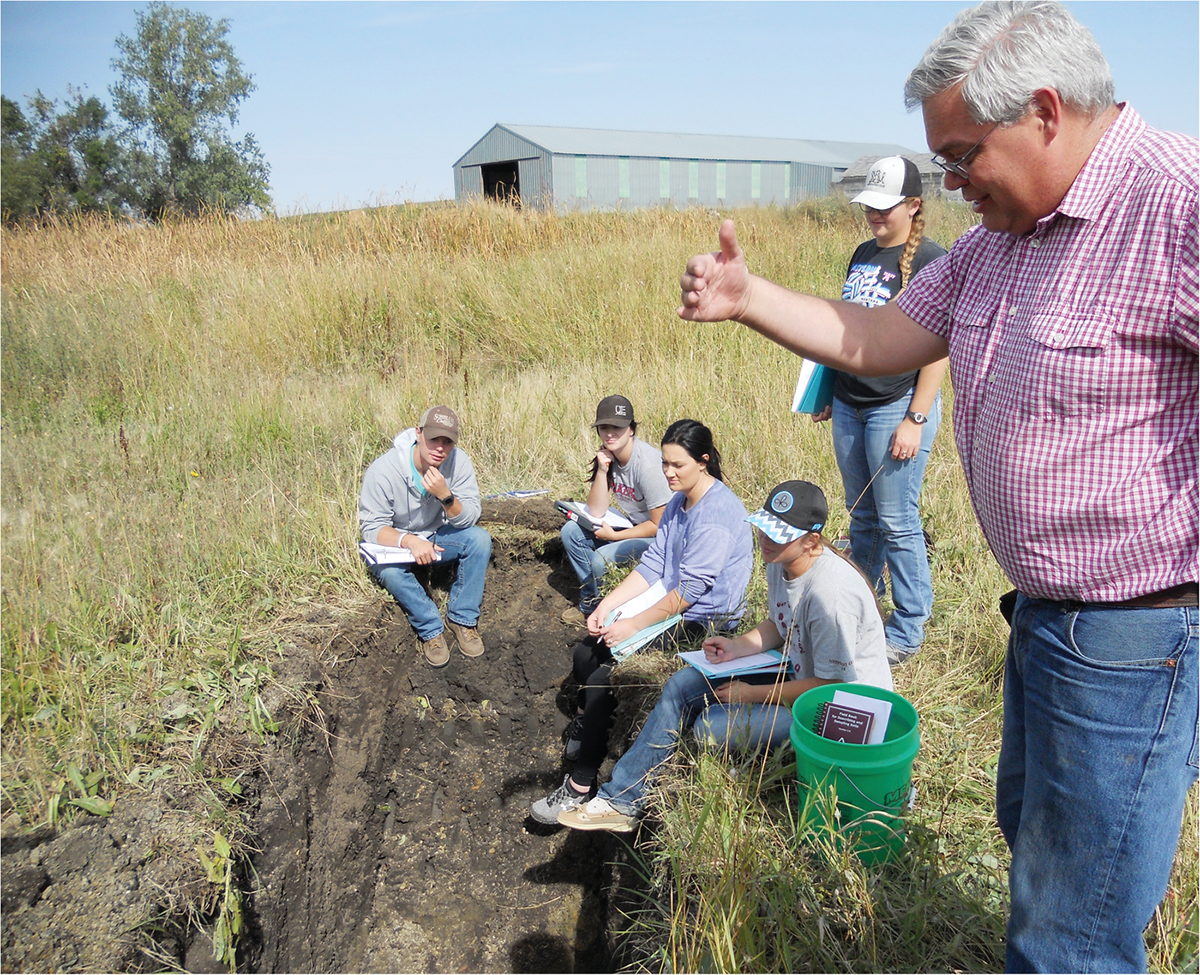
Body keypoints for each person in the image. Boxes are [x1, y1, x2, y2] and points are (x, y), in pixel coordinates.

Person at [677, 3, 1197, 971]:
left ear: (1044, 112)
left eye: (962, 155)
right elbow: (875, 339)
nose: (950, 184)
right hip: (1045, 618)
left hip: (1136, 632)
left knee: (1073, 929)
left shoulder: (1178, 205)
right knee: (1035, 841)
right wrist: (750, 300)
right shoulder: (1000, 238)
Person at [555, 480, 894, 833]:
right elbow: (782, 623)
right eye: (764, 527)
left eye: (779, 534)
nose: (765, 538)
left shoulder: (830, 597)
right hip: (801, 678)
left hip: (843, 713)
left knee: (710, 728)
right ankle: (620, 801)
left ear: (812, 540)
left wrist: (751, 694)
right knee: (684, 683)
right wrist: (738, 647)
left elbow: (830, 684)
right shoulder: (781, 561)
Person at [530, 419, 753, 825]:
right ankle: (588, 725)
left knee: (604, 679)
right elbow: (652, 565)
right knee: (586, 650)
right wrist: (608, 605)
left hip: (703, 620)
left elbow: (689, 592)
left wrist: (633, 625)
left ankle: (580, 785)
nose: (667, 473)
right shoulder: (678, 502)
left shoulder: (717, 514)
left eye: (677, 466)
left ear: (703, 462)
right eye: (665, 463)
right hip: (668, 600)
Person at [817, 156, 949, 664]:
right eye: (868, 206)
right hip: (851, 404)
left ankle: (908, 628)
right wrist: (826, 389)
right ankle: (861, 608)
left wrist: (915, 418)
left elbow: (938, 347)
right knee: (863, 518)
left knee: (897, 521)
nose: (873, 215)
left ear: (914, 205)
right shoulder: (863, 253)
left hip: (896, 407)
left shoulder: (933, 260)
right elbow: (846, 328)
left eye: (883, 206)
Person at [359, 405, 492, 668]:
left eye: (448, 442)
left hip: (438, 537)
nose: (440, 448)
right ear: (418, 433)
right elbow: (372, 528)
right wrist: (409, 541)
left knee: (479, 540)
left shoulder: (459, 462)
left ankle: (462, 619)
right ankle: (431, 629)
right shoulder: (384, 471)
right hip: (400, 545)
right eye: (434, 439)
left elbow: (469, 517)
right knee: (389, 573)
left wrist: (446, 496)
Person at [559, 395, 672, 626]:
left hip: (663, 540)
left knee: (602, 559)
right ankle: (591, 600)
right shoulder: (610, 457)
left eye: (617, 427)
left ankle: (607, 611)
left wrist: (615, 537)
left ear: (631, 429)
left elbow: (660, 526)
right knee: (571, 531)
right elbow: (596, 510)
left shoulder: (648, 466)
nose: (610, 433)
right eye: (604, 427)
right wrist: (602, 470)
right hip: (634, 524)